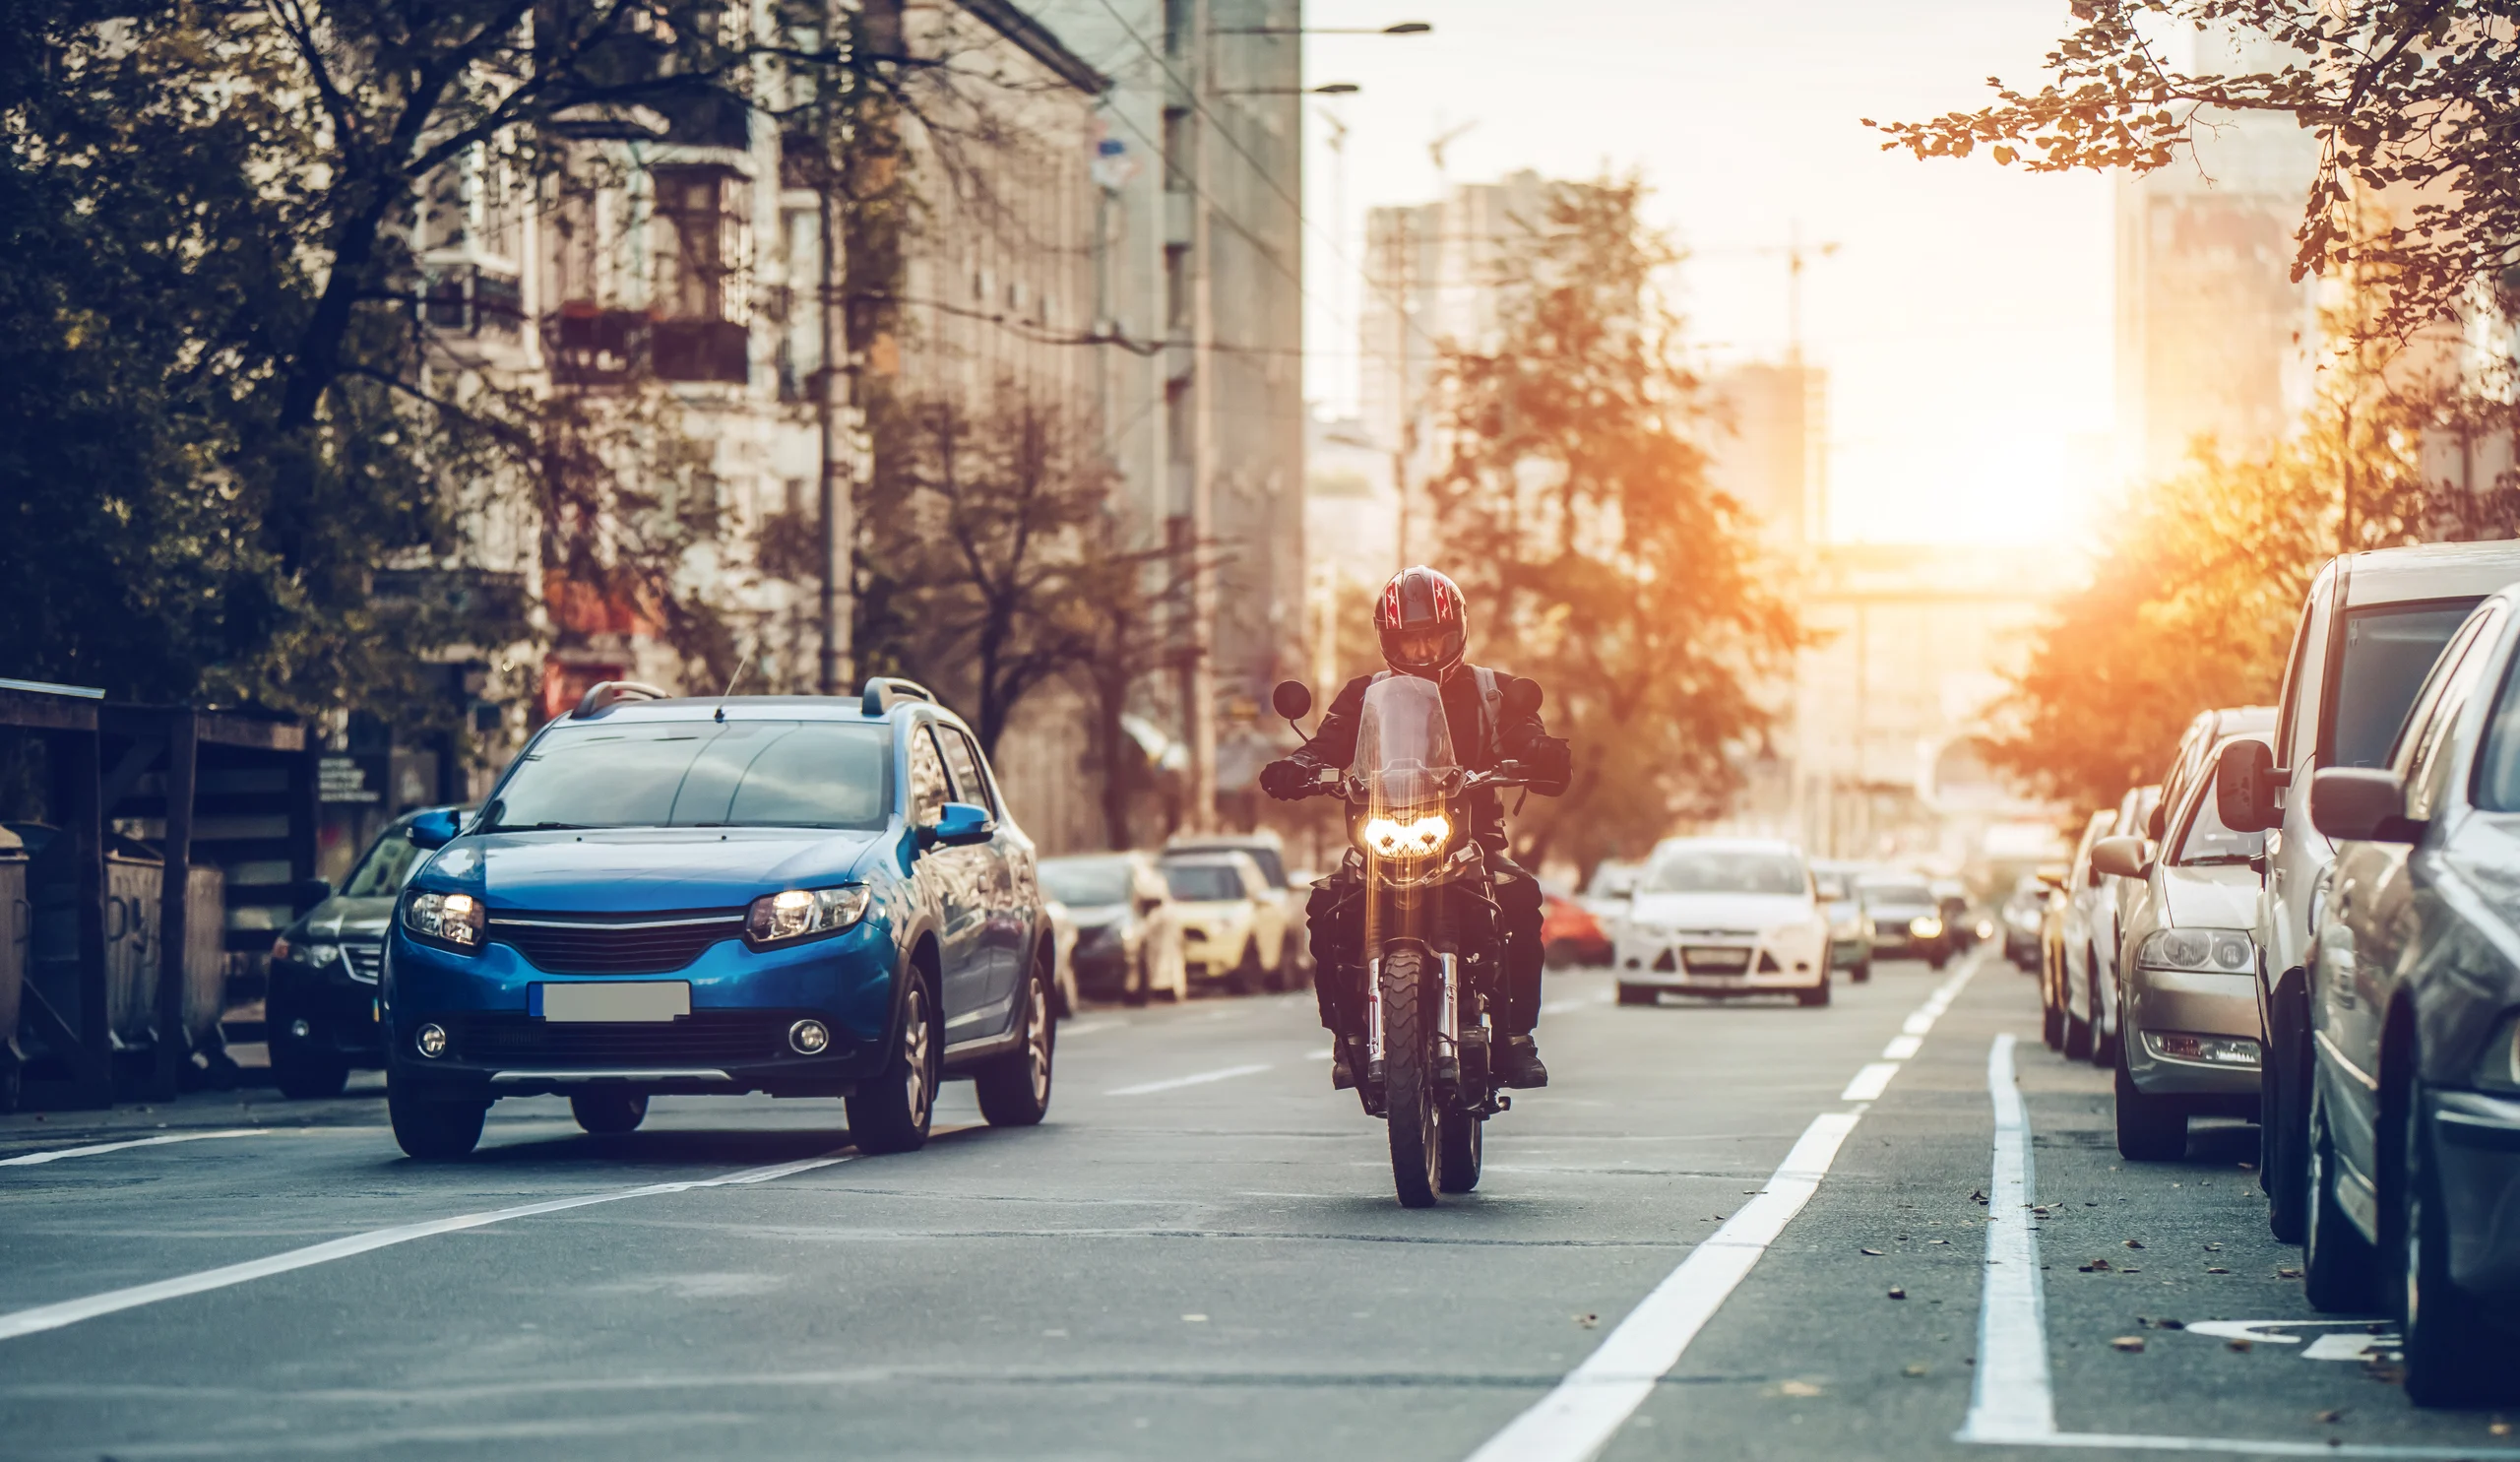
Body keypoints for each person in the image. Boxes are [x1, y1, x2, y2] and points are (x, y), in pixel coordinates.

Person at [1258, 566, 1570, 1090]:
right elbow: (1327, 745)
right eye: (1410, 638)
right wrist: (1300, 766)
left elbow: (1524, 734)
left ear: (1456, 633)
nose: (1423, 649)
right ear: (1390, 639)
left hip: (1471, 844)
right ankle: (1349, 1035)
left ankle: (1516, 1039)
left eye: (1433, 636)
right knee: (1327, 908)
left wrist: (1539, 752)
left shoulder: (1496, 692)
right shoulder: (1363, 695)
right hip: (1381, 840)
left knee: (1519, 899)